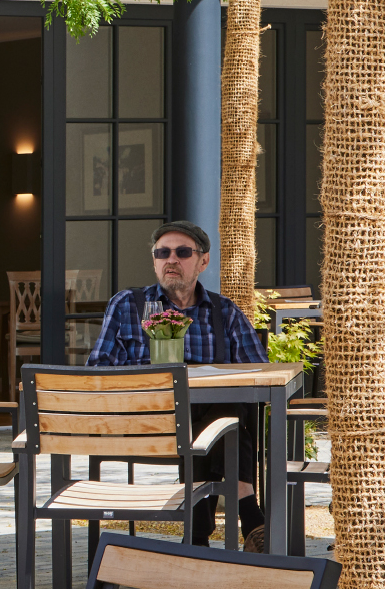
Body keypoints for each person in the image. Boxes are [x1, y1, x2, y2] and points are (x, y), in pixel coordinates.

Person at [86, 219, 271, 550]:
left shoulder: (224, 312)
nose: (171, 259)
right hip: (147, 422)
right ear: (155, 261)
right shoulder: (128, 304)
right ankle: (251, 516)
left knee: (222, 417)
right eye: (162, 252)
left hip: (206, 425)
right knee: (225, 422)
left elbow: (259, 375)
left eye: (182, 252)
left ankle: (196, 539)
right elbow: (98, 371)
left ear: (203, 261)